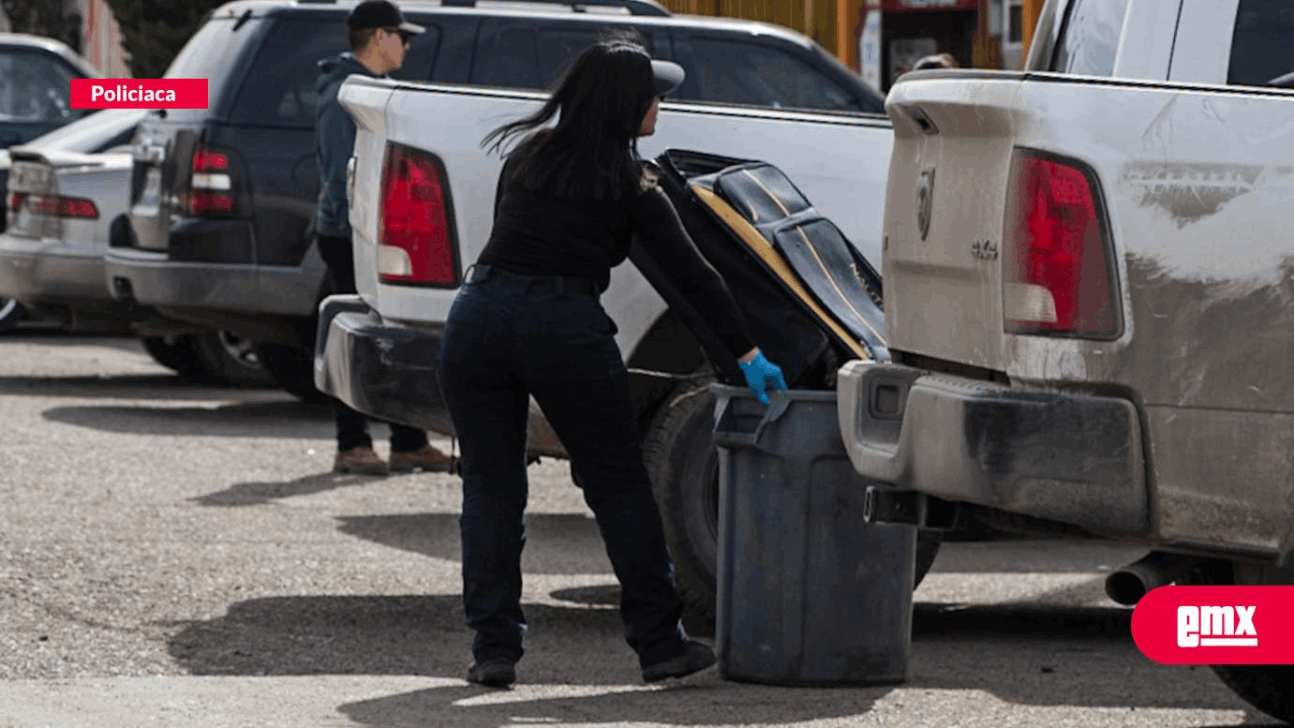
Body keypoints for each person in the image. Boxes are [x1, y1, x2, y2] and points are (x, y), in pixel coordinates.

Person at [436, 36, 788, 689]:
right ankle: (659, 646)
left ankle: (493, 652)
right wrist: (749, 353)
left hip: (477, 316)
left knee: (490, 488)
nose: (662, 105)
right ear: (626, 104)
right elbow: (698, 280)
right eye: (655, 94)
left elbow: (508, 247)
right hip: (562, 326)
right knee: (618, 486)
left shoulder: (527, 158)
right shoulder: (633, 184)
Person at [315, 0, 454, 476]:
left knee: (395, 332)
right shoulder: (345, 95)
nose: (408, 44)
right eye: (401, 35)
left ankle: (408, 441)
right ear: (378, 37)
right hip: (349, 233)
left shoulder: (377, 90)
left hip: (377, 233)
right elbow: (341, 177)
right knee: (358, 335)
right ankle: (351, 445)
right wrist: (356, 228)